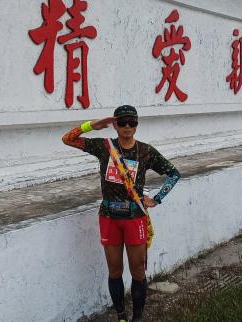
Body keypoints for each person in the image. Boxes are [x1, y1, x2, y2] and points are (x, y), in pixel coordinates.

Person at [62, 105, 180, 322]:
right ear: (115, 124)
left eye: (131, 122)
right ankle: (121, 316)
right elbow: (67, 139)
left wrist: (157, 198)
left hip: (134, 218)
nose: (127, 126)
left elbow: (174, 173)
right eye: (122, 122)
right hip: (109, 217)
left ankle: (137, 318)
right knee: (115, 271)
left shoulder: (145, 151)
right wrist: (90, 126)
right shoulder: (104, 147)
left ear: (137, 125)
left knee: (138, 271)